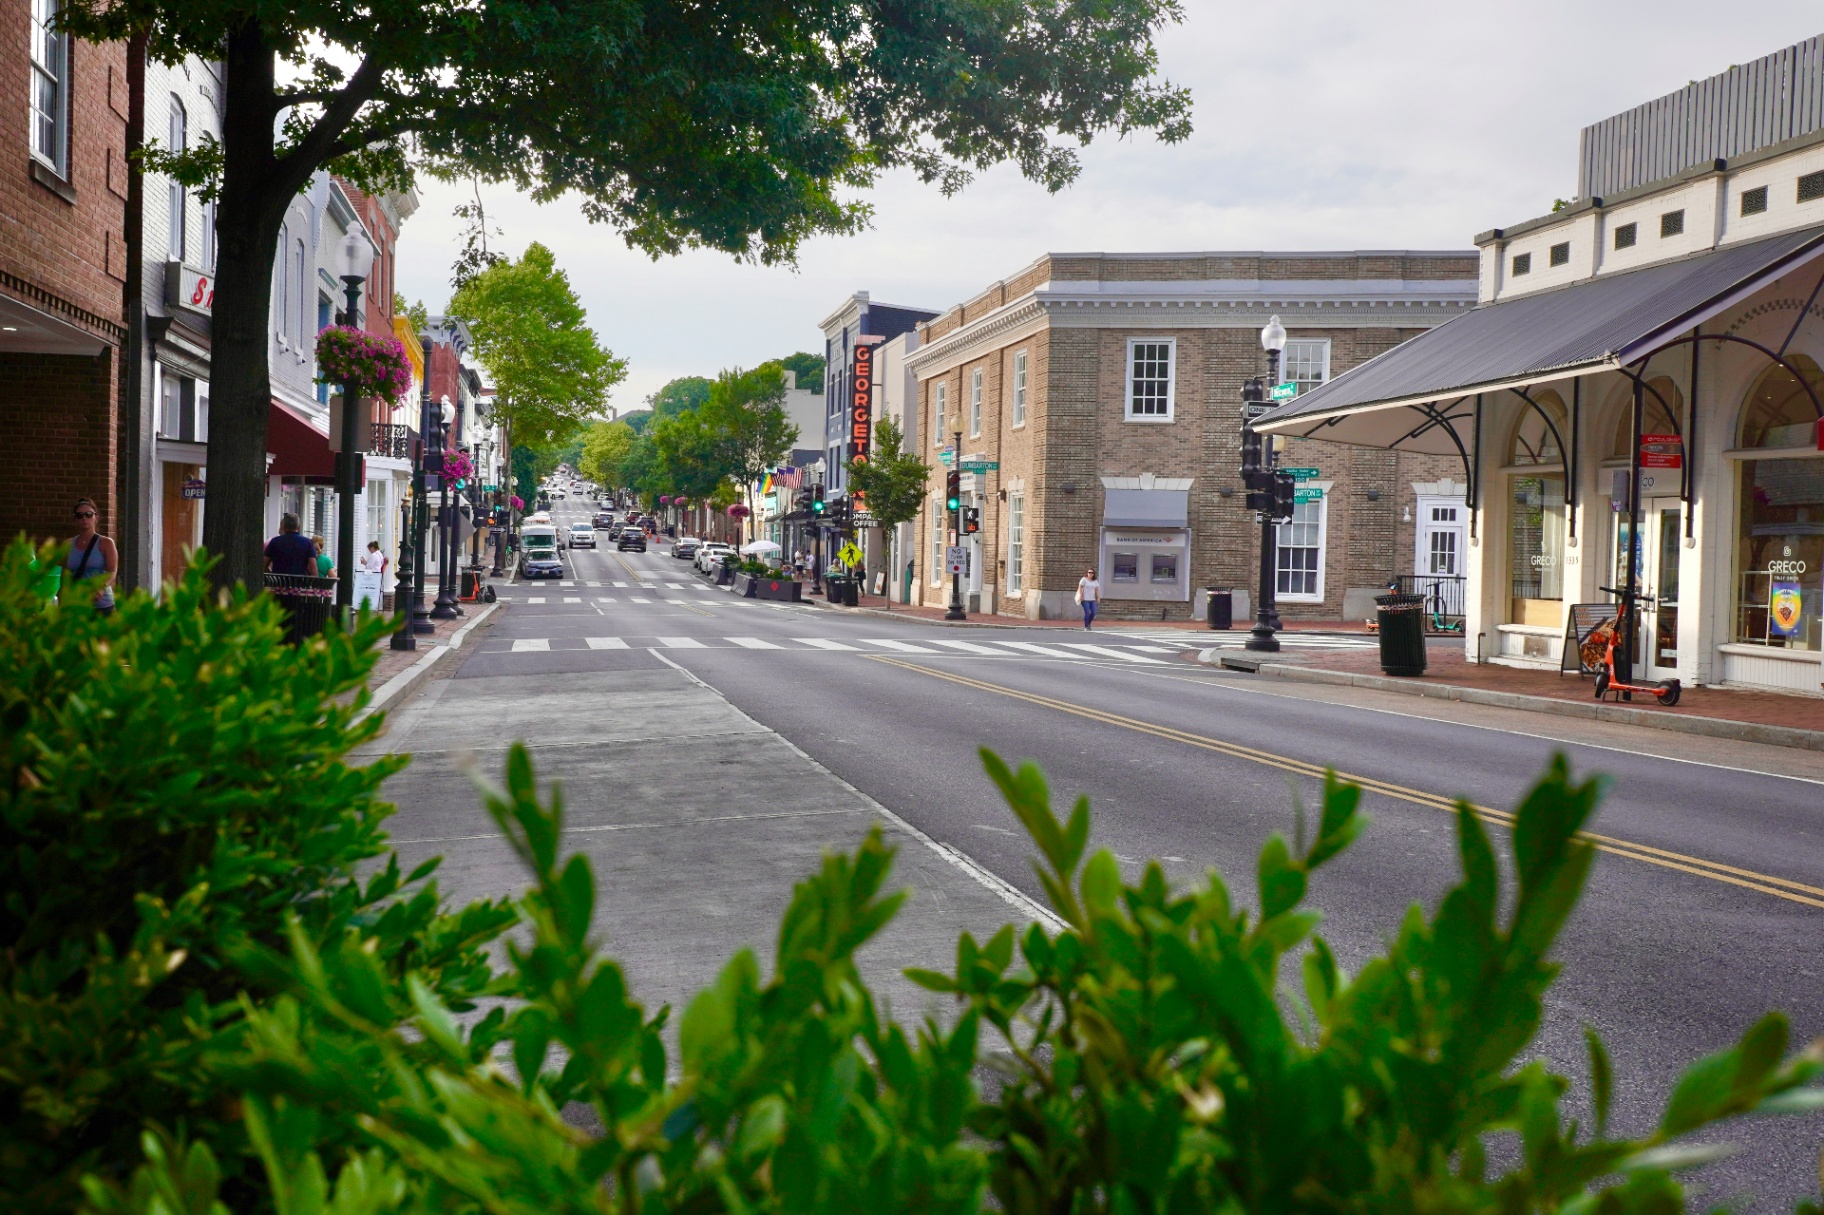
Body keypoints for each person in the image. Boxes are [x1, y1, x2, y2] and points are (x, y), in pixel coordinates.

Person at [65, 497, 118, 615]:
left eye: (89, 514)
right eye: (80, 515)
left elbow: (112, 571)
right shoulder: (68, 544)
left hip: (101, 604)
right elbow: (64, 573)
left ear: (96, 518)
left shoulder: (105, 543)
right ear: (75, 519)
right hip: (77, 604)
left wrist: (101, 587)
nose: (84, 518)